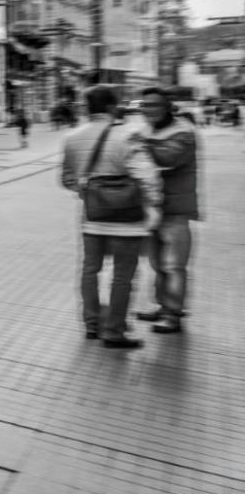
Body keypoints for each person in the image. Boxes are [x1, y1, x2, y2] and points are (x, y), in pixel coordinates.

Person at [61, 85, 162, 349]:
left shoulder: (72, 137)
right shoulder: (130, 135)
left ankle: (92, 324)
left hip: (91, 218)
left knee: (90, 270)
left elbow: (67, 179)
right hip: (127, 221)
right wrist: (154, 204)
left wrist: (88, 191)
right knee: (123, 275)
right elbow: (147, 176)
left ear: (88, 108)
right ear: (111, 107)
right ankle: (114, 330)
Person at [136, 87, 198, 334]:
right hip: (153, 209)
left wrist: (141, 143)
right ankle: (163, 306)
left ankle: (173, 313)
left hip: (175, 210)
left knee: (174, 265)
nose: (148, 110)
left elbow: (168, 158)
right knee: (158, 264)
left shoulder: (184, 132)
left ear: (168, 107)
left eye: (154, 105)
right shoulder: (149, 131)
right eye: (145, 106)